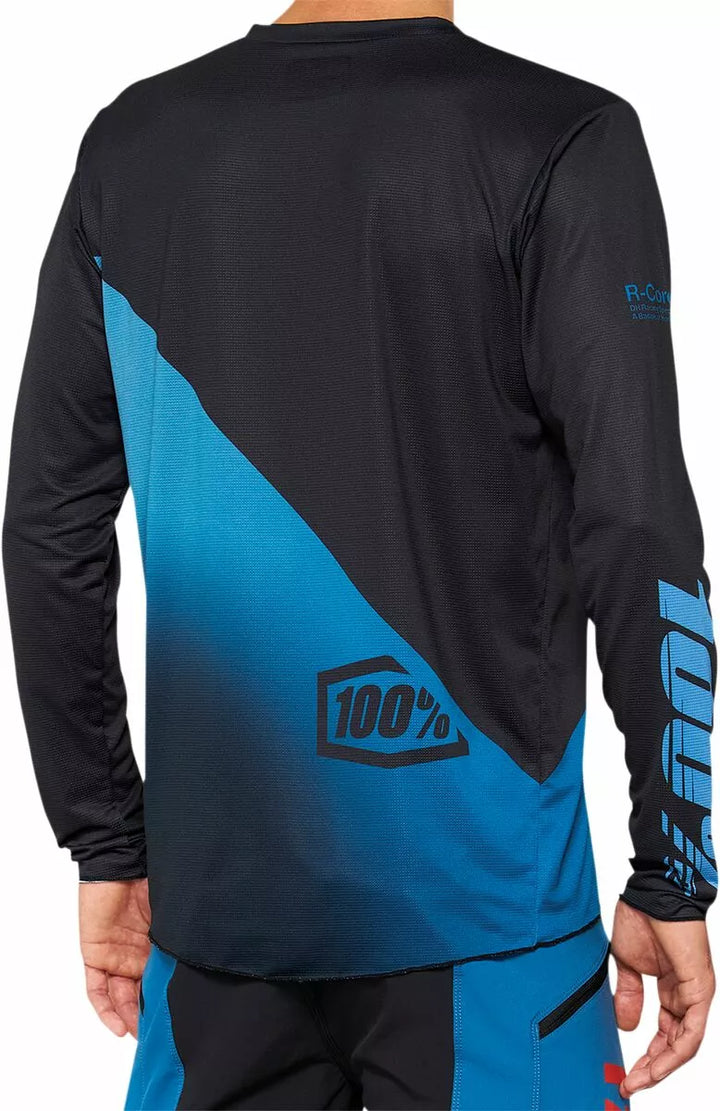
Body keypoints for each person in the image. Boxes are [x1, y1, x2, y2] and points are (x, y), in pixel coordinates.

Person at [3, 0, 716, 1107]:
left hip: (219, 925)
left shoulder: (132, 147)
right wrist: (675, 866)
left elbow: (48, 525)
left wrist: (107, 841)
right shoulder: (561, 138)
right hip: (490, 921)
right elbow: (637, 523)